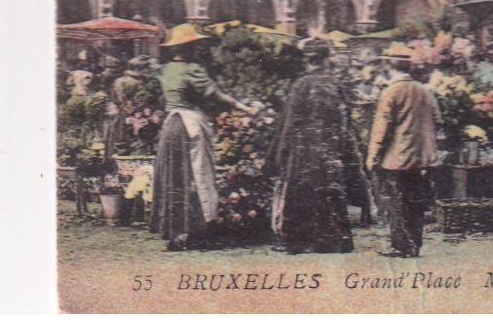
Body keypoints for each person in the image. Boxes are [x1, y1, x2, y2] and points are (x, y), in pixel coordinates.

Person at [150, 39, 258, 251]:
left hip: (170, 125)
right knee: (199, 175)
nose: (199, 49)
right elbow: (215, 94)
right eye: (195, 46)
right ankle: (201, 230)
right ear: (187, 48)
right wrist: (244, 108)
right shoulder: (192, 69)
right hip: (190, 124)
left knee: (174, 177)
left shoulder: (164, 69)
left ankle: (176, 232)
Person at [268, 38, 365, 254]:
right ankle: (335, 241)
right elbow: (346, 119)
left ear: (307, 60)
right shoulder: (335, 84)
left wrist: (281, 151)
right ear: (325, 59)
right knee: (330, 192)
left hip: (303, 150)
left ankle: (298, 242)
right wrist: (344, 148)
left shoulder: (301, 85)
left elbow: (291, 121)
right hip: (329, 149)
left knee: (300, 192)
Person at [367, 61, 441, 258]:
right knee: (416, 202)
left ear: (390, 67)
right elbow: (438, 120)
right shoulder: (425, 91)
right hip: (422, 158)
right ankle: (415, 243)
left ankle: (400, 245)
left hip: (396, 158)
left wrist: (373, 156)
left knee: (395, 202)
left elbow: (382, 127)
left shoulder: (390, 92)